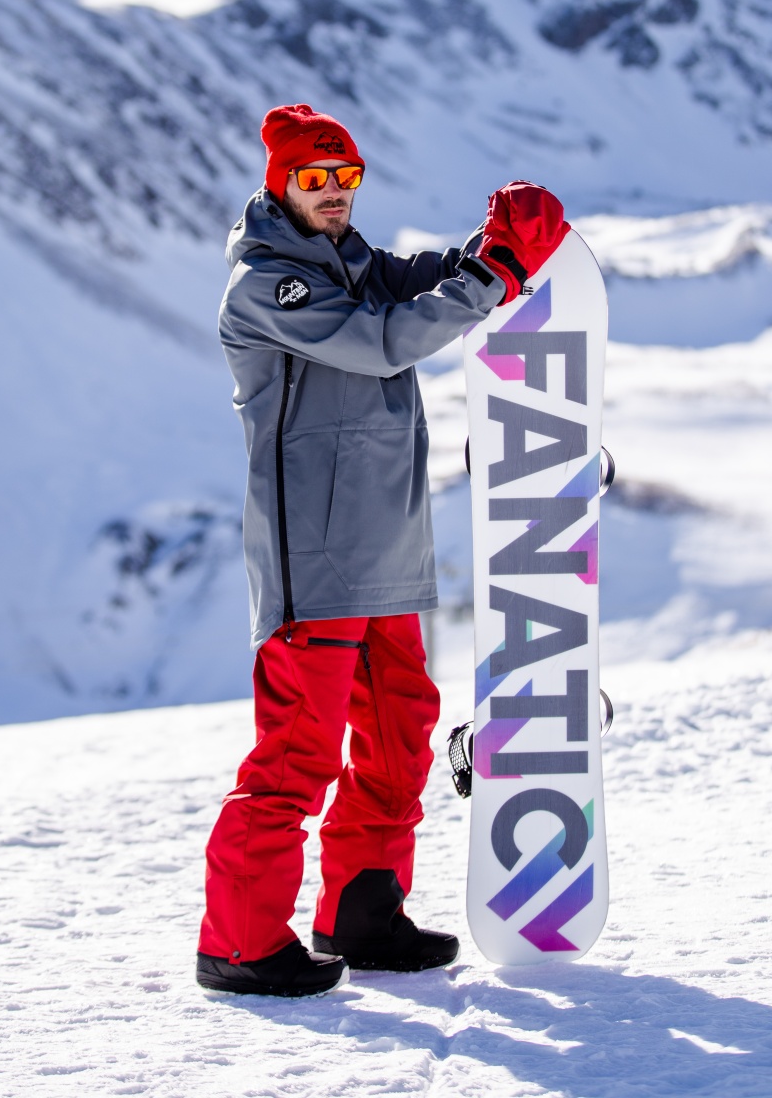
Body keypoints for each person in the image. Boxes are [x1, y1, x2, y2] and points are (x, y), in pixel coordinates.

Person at [196, 103, 569, 997]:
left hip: (386, 549)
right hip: (314, 560)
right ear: (281, 184)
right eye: (314, 178)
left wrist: (494, 244)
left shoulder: (353, 262)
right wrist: (497, 272)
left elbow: (427, 279)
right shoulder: (269, 285)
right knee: (298, 754)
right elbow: (385, 341)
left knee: (399, 739)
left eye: (346, 176)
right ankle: (238, 944)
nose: (333, 191)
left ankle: (361, 912)